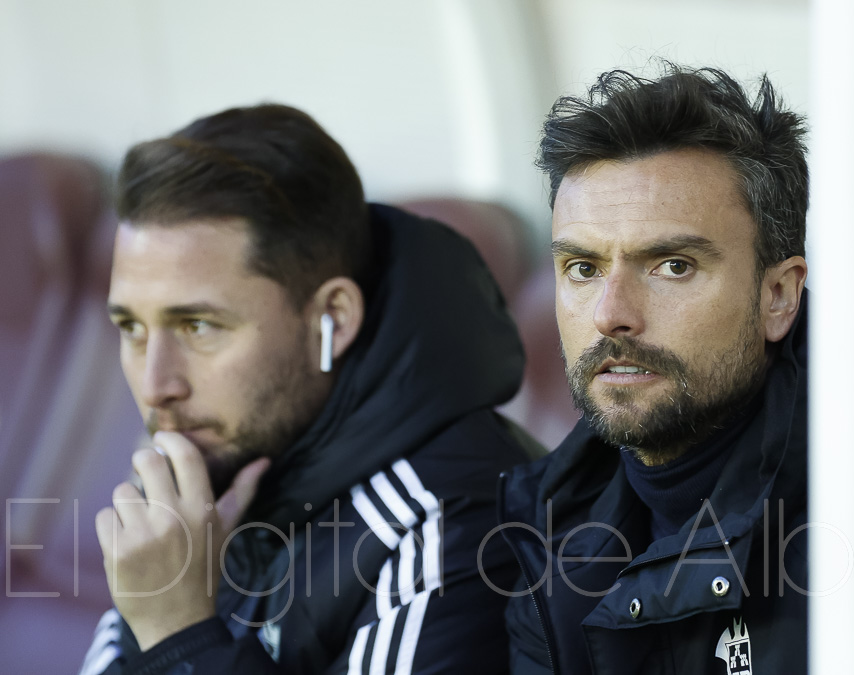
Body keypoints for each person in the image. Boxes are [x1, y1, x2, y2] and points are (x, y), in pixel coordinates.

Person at [499, 64, 854, 674]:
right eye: (582, 268)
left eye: (673, 266)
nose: (612, 315)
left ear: (778, 297)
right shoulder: (553, 512)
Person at [79, 104, 540, 675]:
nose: (156, 385)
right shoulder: (222, 476)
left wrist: (177, 635)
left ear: (333, 318)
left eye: (199, 327)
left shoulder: (453, 525)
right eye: (131, 328)